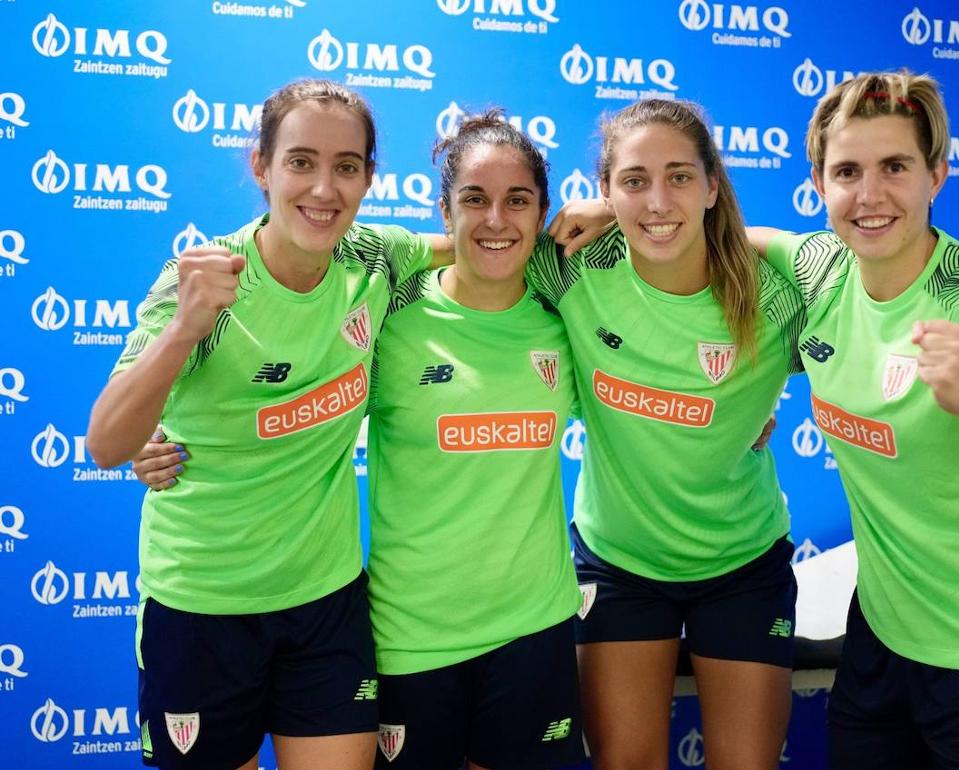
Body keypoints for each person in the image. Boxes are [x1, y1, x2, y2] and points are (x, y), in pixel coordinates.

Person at [86, 79, 439, 770]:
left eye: (346, 167)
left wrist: (602, 212)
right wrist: (186, 327)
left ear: (370, 178)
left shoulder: (374, 256)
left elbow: (482, 240)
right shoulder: (203, 279)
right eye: (301, 162)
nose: (324, 189)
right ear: (261, 166)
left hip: (326, 600)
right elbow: (105, 443)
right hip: (202, 605)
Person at [751, 70, 959, 769]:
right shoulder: (822, 270)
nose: (870, 195)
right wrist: (610, 212)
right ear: (819, 185)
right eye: (847, 172)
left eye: (895, 167)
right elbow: (728, 235)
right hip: (882, 634)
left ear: (937, 176)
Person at [528, 98, 806, 770]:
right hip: (619, 563)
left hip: (742, 564)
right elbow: (475, 252)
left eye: (679, 177)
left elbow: (868, 286)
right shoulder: (571, 269)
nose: (658, 200)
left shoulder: (777, 295)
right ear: (603, 189)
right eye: (634, 181)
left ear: (712, 186)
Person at [365, 112, 585, 770]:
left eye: (517, 200)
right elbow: (293, 395)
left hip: (533, 630)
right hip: (412, 636)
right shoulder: (388, 316)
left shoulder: (566, 319)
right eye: (474, 199)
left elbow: (648, 373)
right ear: (444, 210)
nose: (496, 219)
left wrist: (745, 416)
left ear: (542, 213)